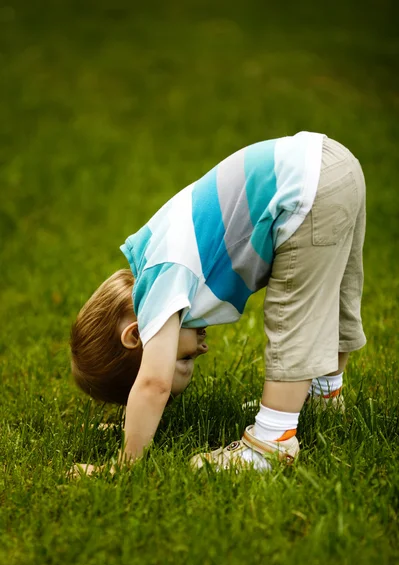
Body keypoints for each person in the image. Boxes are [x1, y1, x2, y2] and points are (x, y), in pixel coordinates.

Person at [70, 131, 366, 472]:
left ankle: (272, 441)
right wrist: (131, 425)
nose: (200, 350)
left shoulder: (161, 281)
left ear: (136, 335)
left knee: (294, 316)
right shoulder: (158, 253)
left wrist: (124, 462)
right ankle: (324, 392)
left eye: (178, 358)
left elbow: (153, 383)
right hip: (331, 162)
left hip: (304, 189)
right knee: (332, 293)